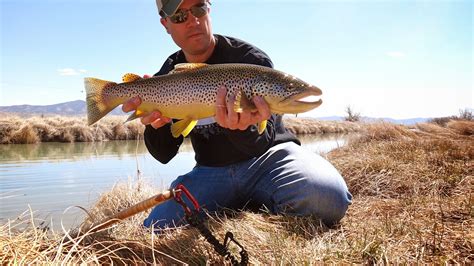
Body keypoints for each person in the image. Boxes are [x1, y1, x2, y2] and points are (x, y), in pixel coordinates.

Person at [122, 0, 352, 229]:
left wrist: (243, 129)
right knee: (156, 227)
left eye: (199, 8)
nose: (193, 20)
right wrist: (156, 126)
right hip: (211, 172)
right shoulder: (166, 77)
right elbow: (164, 154)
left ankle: (251, 202)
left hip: (269, 159)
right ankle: (253, 203)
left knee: (329, 198)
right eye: (179, 16)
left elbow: (263, 139)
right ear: (165, 24)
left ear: (209, 10)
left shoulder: (250, 59)